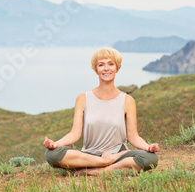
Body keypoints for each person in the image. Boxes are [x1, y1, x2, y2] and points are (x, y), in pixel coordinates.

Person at [43, 47, 159, 175]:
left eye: (111, 64)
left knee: (151, 159)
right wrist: (55, 144)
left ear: (117, 68)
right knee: (52, 155)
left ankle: (96, 171)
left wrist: (147, 147)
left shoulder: (127, 100)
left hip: (118, 154)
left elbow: (133, 136)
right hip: (89, 155)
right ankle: (104, 163)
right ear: (96, 69)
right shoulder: (83, 98)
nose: (106, 68)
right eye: (101, 65)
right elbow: (74, 134)